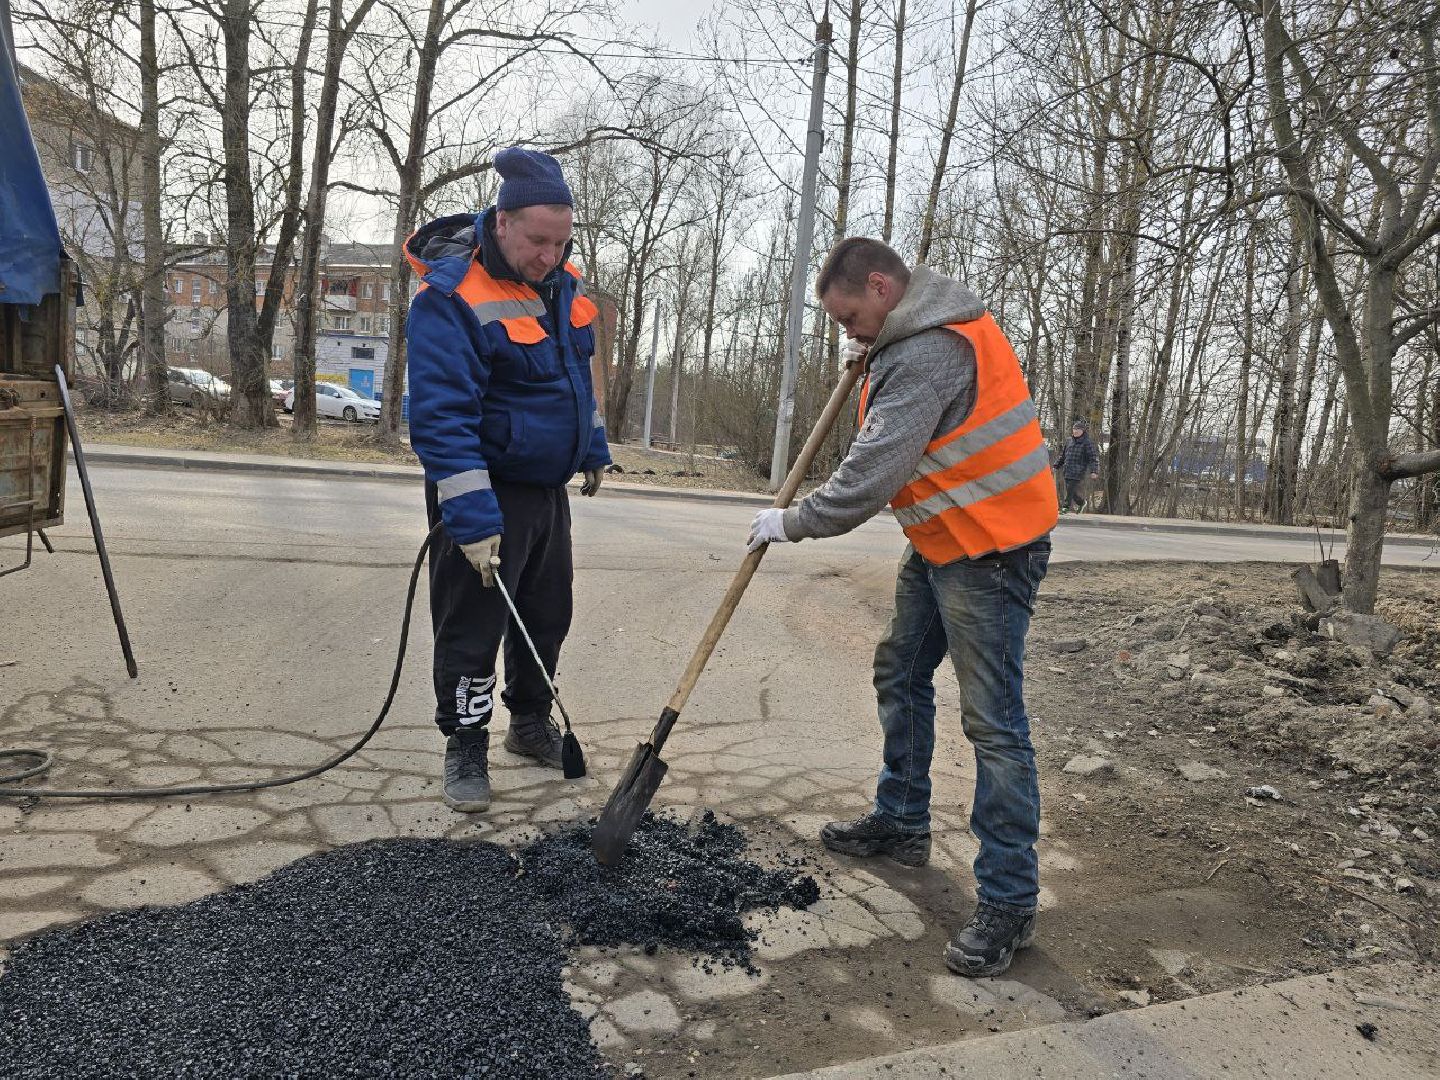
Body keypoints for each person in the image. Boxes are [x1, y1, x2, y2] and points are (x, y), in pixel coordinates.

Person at [747, 237, 1057, 978]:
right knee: (900, 671)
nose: (846, 332)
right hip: (945, 540)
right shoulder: (900, 340)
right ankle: (903, 818)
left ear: (882, 288)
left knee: (994, 723)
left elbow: (869, 478)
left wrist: (792, 521)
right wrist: (869, 357)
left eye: (850, 315)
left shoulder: (927, 353)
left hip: (993, 549)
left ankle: (1010, 900)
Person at [405, 147, 610, 813]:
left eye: (561, 242)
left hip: (546, 491)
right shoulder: (452, 295)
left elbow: (575, 380)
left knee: (545, 618)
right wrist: (471, 519)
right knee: (473, 625)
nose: (550, 254)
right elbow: (441, 415)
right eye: (538, 241)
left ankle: (527, 725)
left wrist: (593, 446)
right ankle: (465, 743)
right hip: (483, 488)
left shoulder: (563, 287)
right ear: (502, 221)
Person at [1055, 419, 1099, 513]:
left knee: (1070, 488)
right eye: (1074, 429)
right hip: (1067, 469)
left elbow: (1093, 458)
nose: (1075, 431)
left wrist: (1094, 471)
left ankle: (1065, 507)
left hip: (1079, 470)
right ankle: (1081, 502)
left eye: (1077, 430)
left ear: (1082, 431)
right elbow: (1063, 456)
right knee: (1070, 490)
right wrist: (1056, 466)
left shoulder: (1087, 442)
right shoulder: (1069, 441)